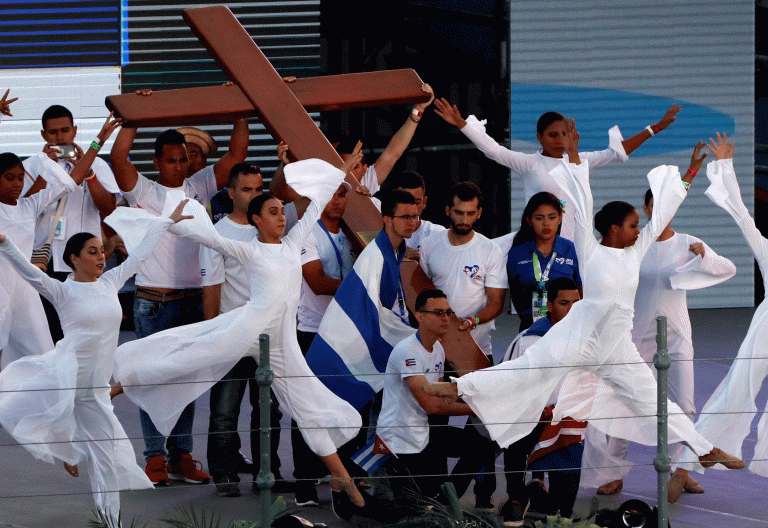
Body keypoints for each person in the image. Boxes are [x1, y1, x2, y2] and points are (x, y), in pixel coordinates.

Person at [424, 120, 745, 476]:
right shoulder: (589, 249)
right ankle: (458, 388)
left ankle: (703, 448)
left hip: (616, 345)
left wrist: (692, 172)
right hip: (579, 336)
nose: (639, 230)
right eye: (632, 225)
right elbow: (582, 195)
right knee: (526, 369)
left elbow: (665, 211)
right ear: (613, 228)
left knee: (651, 399)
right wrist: (575, 156)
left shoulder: (636, 251)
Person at [111, 153, 376, 514]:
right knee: (185, 356)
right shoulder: (249, 249)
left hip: (279, 342)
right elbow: (204, 236)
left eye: (281, 212)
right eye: (272, 212)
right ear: (256, 220)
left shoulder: (292, 243)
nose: (281, 217)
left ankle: (342, 479)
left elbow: (315, 205)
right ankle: (118, 385)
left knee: (307, 403)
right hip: (246, 328)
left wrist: (341, 172)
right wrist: (167, 222)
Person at [0, 183, 190, 525]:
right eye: (92, 251)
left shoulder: (110, 282)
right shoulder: (61, 290)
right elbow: (27, 270)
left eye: (102, 250)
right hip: (68, 381)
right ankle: (70, 448)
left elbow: (140, 254)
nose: (101, 256)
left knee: (110, 457)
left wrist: (166, 222)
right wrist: (4, 243)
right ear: (74, 259)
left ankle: (109, 519)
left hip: (97, 391)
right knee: (27, 412)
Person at [110, 112, 247, 485]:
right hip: (154, 301)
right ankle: (155, 457)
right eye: (170, 160)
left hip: (194, 300)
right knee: (151, 379)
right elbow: (119, 158)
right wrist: (131, 115)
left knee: (186, 381)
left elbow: (236, 156)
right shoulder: (144, 191)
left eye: (184, 159)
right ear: (156, 162)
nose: (178, 166)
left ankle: (181, 456)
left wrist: (240, 113)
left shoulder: (199, 185)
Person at [597, 186, 736, 502]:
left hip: (676, 335)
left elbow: (727, 268)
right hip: (635, 335)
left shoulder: (687, 242)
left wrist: (705, 256)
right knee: (623, 401)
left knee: (684, 404)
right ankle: (612, 473)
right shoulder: (635, 244)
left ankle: (680, 471)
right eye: (656, 205)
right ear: (646, 210)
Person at [433, 98, 681, 240]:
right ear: (539, 137)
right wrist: (462, 124)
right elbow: (494, 150)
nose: (560, 140)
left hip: (575, 246)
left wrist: (656, 128)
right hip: (538, 244)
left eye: (564, 134)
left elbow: (618, 152)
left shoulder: (579, 160)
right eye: (553, 135)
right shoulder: (530, 163)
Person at [679, 135, 768, 478]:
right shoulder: (766, 250)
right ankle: (690, 461)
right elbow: (742, 215)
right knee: (735, 391)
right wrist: (726, 167)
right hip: (765, 330)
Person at [199, 162, 290, 497]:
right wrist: (213, 338)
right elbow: (211, 288)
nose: (254, 195)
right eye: (246, 189)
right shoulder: (217, 234)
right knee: (225, 411)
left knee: (269, 410)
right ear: (230, 192)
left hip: (269, 337)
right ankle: (224, 475)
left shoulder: (267, 227)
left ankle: (269, 473)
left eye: (258, 188)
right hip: (233, 334)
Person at [0, 114, 119, 370]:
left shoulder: (29, 206)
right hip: (1, 289)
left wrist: (99, 140)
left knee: (42, 356)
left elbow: (73, 181)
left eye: (20, 178)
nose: (17, 184)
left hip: (26, 290)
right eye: (9, 178)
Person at [418, 181, 506, 508]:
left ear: (479, 213)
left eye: (470, 213)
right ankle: (435, 493)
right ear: (447, 211)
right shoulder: (430, 245)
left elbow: (496, 303)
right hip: (436, 354)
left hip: (476, 351)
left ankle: (483, 493)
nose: (464, 219)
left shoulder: (489, 251)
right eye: (458, 212)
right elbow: (419, 293)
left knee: (482, 424)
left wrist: (472, 321)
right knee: (435, 425)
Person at [305, 189, 419, 412]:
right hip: (350, 346)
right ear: (387, 219)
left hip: (363, 345)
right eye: (405, 217)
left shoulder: (395, 249)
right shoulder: (376, 255)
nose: (412, 223)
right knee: (345, 412)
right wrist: (409, 335)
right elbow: (370, 308)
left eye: (414, 216)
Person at [23, 104, 121, 343]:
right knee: (48, 333)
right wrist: (46, 169)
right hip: (44, 261)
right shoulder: (31, 165)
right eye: (53, 132)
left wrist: (87, 173)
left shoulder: (96, 164)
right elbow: (22, 209)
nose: (60, 137)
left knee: (83, 332)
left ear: (75, 131)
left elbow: (108, 209)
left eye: (65, 130)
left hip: (83, 262)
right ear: (43, 135)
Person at [377, 289, 473, 512]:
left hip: (424, 433)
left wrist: (474, 395)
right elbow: (430, 405)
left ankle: (443, 498)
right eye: (438, 313)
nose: (446, 318)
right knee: (411, 513)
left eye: (449, 313)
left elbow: (440, 393)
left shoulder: (438, 348)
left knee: (479, 447)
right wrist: (474, 409)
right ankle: (352, 498)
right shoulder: (407, 351)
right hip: (400, 440)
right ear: (419, 316)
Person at [270, 83, 435, 213]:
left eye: (354, 166)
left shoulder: (366, 182)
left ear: (364, 169)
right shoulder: (323, 185)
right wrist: (286, 164)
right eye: (344, 165)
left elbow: (393, 152)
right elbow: (279, 192)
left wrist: (418, 110)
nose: (348, 170)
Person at [501, 278, 584, 523]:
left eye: (576, 303)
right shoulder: (528, 340)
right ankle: (517, 497)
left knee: (561, 514)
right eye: (564, 303)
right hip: (533, 419)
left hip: (567, 422)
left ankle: (540, 495)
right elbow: (509, 383)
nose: (572, 310)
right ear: (549, 306)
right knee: (516, 437)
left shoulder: (587, 337)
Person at [294, 178, 356, 506]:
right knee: (309, 409)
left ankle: (343, 476)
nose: (338, 200)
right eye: (332, 194)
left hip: (348, 332)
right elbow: (317, 283)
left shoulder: (353, 232)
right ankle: (304, 483)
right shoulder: (308, 232)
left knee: (347, 405)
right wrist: (359, 286)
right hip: (313, 331)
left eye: (343, 194)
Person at [507, 192, 581, 332]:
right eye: (539, 218)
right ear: (529, 220)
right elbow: (515, 295)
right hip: (530, 327)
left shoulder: (572, 250)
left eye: (552, 217)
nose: (546, 223)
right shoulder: (517, 253)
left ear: (560, 218)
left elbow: (581, 294)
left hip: (568, 329)